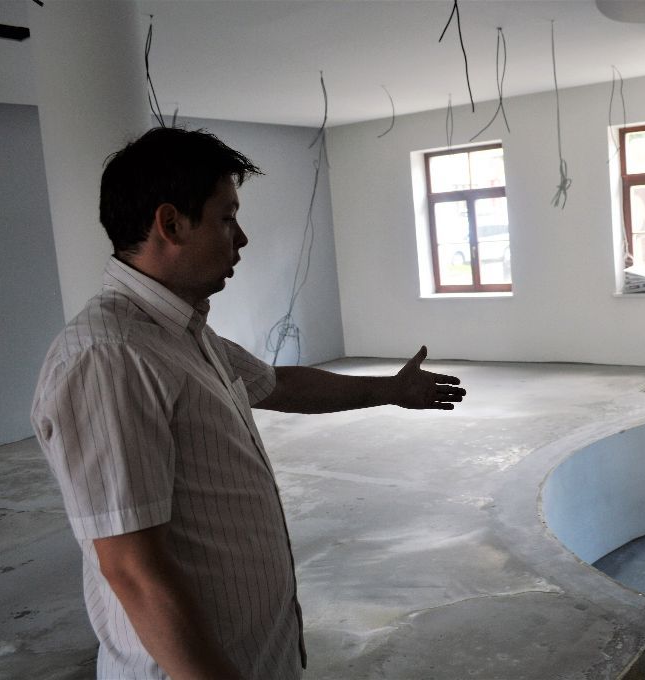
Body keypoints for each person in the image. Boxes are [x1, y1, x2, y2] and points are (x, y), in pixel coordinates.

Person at [30, 126, 466, 680]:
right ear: (170, 224)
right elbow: (133, 570)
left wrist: (390, 390)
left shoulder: (181, 334)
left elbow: (276, 385)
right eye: (226, 217)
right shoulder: (109, 357)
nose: (241, 238)